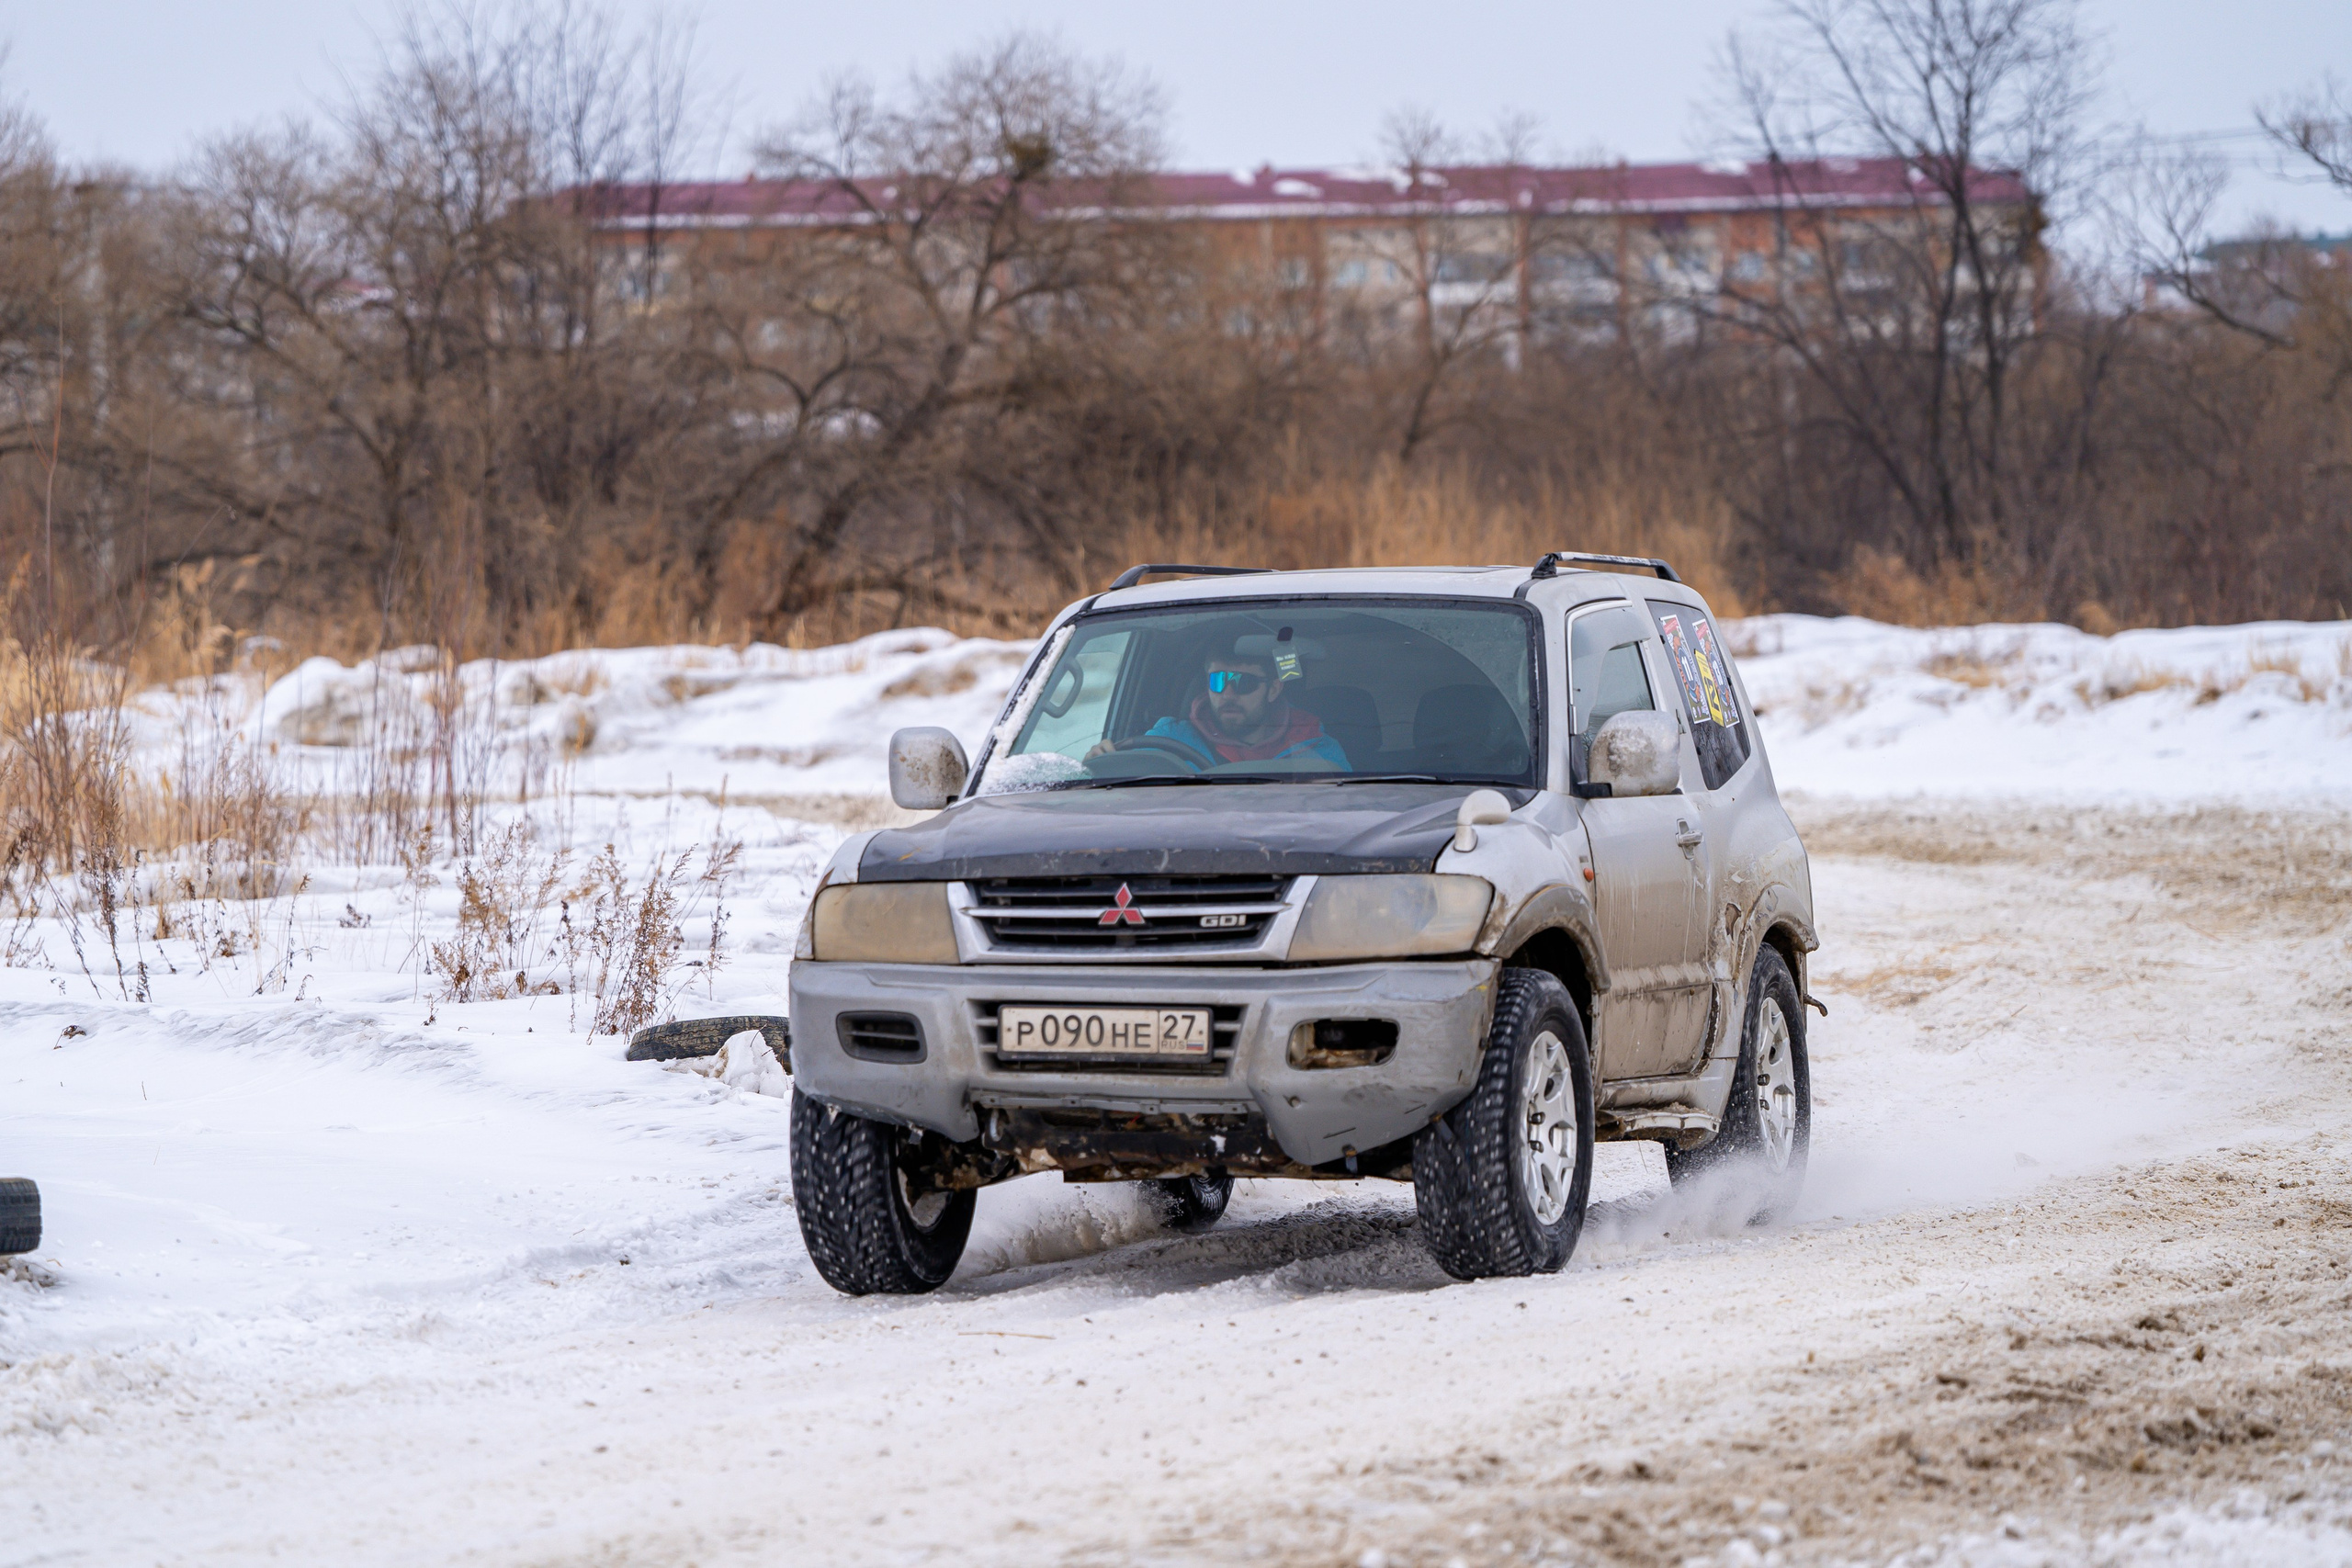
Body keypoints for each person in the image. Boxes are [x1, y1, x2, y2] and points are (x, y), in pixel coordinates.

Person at [1090, 639, 1349, 769]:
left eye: (1243, 682)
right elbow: (1121, 798)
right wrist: (1100, 761)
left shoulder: (1318, 750)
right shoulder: (1169, 741)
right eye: (1218, 681)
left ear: (1273, 689)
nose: (1228, 694)